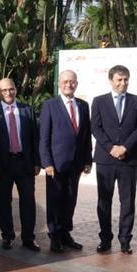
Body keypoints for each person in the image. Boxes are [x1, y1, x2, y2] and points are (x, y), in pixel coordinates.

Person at [90, 65, 137, 254]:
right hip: (106, 159)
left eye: (126, 79)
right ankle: (105, 239)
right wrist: (111, 148)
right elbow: (96, 128)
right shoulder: (99, 101)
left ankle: (125, 240)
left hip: (129, 159)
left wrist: (125, 147)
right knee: (104, 201)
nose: (123, 83)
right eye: (119, 80)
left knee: (127, 201)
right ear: (111, 81)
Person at [0, 78, 41, 251]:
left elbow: (35, 139)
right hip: (2, 166)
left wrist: (37, 162)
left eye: (11, 89)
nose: (8, 93)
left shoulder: (27, 110)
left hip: (24, 164)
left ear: (16, 90)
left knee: (28, 202)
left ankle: (28, 238)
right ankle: (7, 236)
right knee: (3, 202)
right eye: (4, 90)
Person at [39, 70, 92, 253]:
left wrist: (87, 160)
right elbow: (44, 137)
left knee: (70, 199)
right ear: (59, 84)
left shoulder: (84, 106)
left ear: (76, 83)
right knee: (55, 200)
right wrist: (47, 163)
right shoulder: (50, 105)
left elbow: (85, 136)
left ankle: (65, 233)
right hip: (56, 164)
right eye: (65, 81)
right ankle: (54, 235)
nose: (69, 84)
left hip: (76, 164)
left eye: (72, 81)